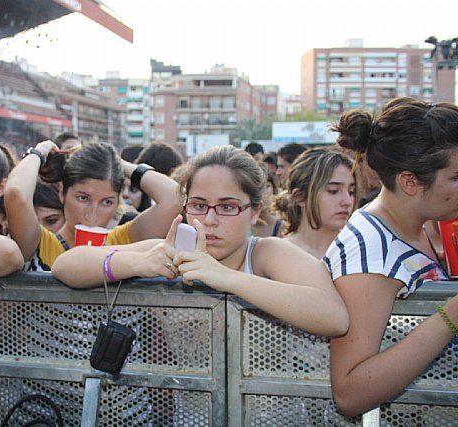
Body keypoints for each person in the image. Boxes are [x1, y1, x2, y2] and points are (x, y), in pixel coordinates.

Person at [52, 145, 349, 337]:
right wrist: (139, 261)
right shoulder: (176, 250)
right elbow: (66, 265)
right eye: (198, 205)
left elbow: (334, 317)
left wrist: (226, 278)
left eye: (227, 207)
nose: (209, 220)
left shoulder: (265, 253)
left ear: (255, 210)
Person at [324, 97, 458, 417]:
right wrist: (451, 315)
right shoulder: (370, 250)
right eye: (455, 178)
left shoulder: (416, 224)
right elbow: (350, 392)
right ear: (410, 182)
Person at [4, 140, 182, 271]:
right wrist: (38, 153)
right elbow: (15, 193)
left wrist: (114, 162)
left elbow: (175, 199)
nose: (92, 214)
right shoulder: (38, 242)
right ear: (62, 192)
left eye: (107, 202)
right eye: (83, 198)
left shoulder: (124, 240)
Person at [273, 147, 357, 258]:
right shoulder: (277, 255)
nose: (347, 201)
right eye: (333, 191)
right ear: (300, 197)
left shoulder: (359, 250)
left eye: (351, 192)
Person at [251, 165, 283, 238]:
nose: (263, 193)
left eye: (267, 186)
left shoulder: (281, 226)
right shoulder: (241, 225)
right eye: (258, 188)